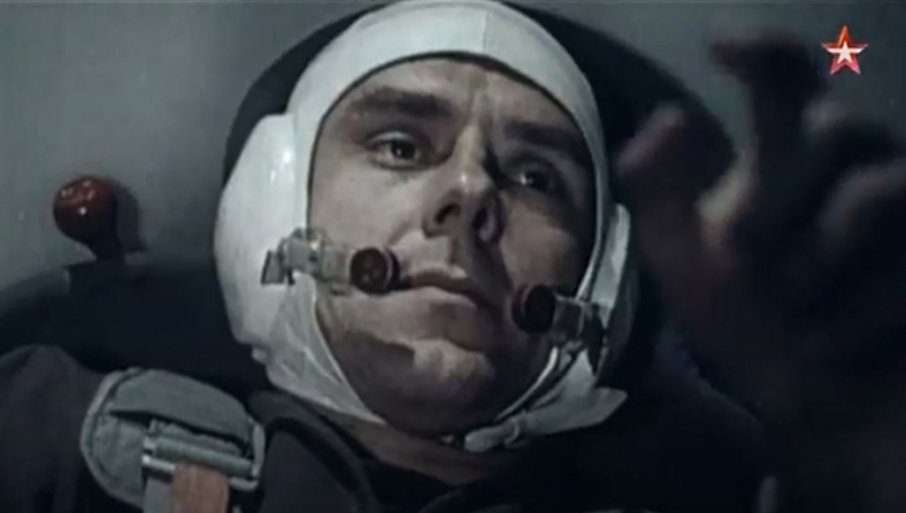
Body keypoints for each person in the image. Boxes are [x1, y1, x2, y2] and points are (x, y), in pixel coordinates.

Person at [1, 1, 903, 513]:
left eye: (536, 177)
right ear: (276, 200)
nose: (471, 190)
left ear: (600, 279)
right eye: (400, 145)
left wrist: (849, 460)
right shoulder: (50, 430)